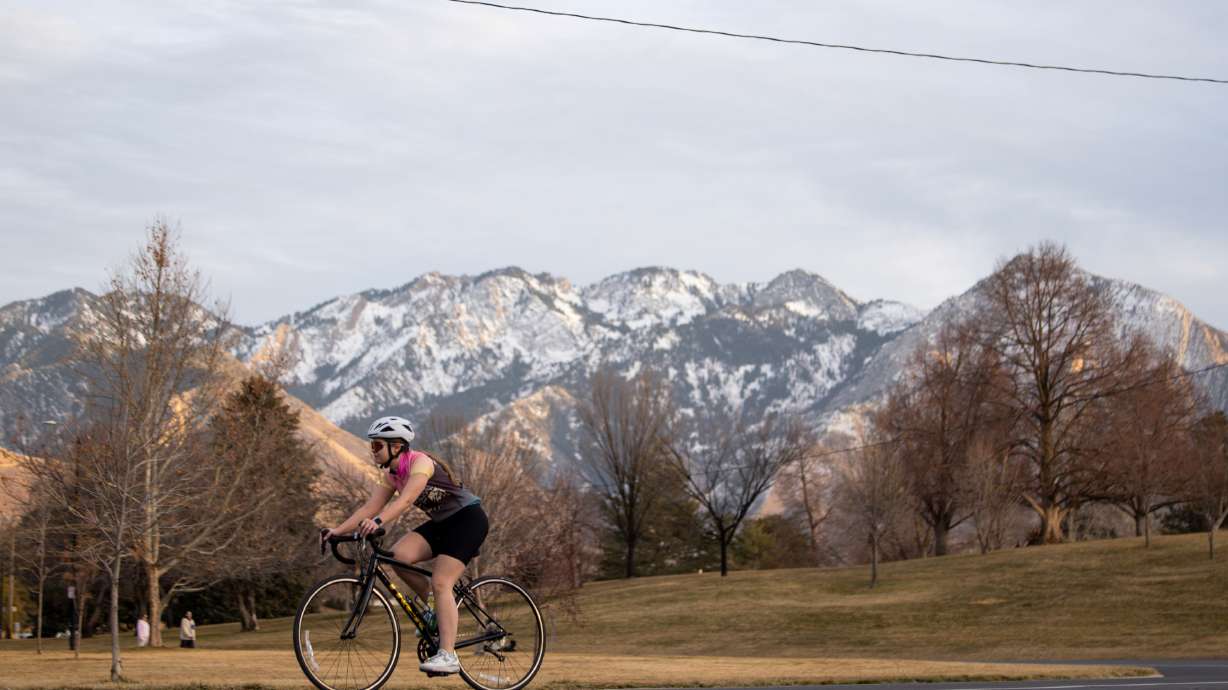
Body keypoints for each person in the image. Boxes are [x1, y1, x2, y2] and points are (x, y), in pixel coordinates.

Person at [322, 416, 488, 675]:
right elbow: (370, 506)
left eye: (377, 446)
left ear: (396, 446)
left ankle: (448, 655)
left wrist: (377, 522)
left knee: (442, 581)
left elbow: (407, 499)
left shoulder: (420, 463)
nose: (372, 451)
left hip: (468, 520)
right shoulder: (392, 475)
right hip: (443, 524)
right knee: (398, 555)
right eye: (372, 446)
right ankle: (434, 609)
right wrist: (337, 530)